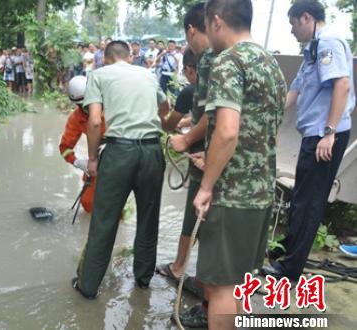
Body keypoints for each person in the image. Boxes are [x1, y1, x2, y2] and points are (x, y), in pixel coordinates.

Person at [193, 0, 286, 328]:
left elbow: (228, 132)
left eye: (206, 24)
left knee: (220, 288)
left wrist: (206, 186)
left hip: (232, 197)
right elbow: (267, 132)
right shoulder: (270, 63)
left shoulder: (227, 62)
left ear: (217, 21)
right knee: (239, 285)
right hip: (262, 194)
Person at [72, 41, 173, 299]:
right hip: (152, 151)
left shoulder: (98, 75)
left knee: (104, 221)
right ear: (129, 57)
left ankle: (88, 286)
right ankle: (143, 281)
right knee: (148, 219)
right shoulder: (148, 74)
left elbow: (95, 121)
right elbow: (165, 109)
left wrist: (92, 159)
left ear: (105, 59)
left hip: (119, 153)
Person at [262, 0, 354, 281]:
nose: (291, 30)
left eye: (292, 23)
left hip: (325, 136)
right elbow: (298, 89)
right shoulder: (313, 48)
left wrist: (330, 132)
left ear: (306, 17)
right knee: (300, 199)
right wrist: (271, 117)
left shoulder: (329, 42)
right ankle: (286, 254)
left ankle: (289, 271)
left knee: (310, 202)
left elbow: (343, 84)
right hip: (314, 134)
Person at [164, 3, 216, 327]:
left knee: (195, 217)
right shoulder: (252, 59)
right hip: (214, 156)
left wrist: (184, 139)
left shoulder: (209, 65)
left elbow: (213, 118)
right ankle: (192, 273)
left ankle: (182, 269)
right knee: (209, 223)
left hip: (206, 159)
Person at [59, 76, 106, 214]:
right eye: (82, 105)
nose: (86, 107)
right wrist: (78, 162)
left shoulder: (112, 106)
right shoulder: (77, 118)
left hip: (122, 152)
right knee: (88, 201)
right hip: (97, 158)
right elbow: (65, 147)